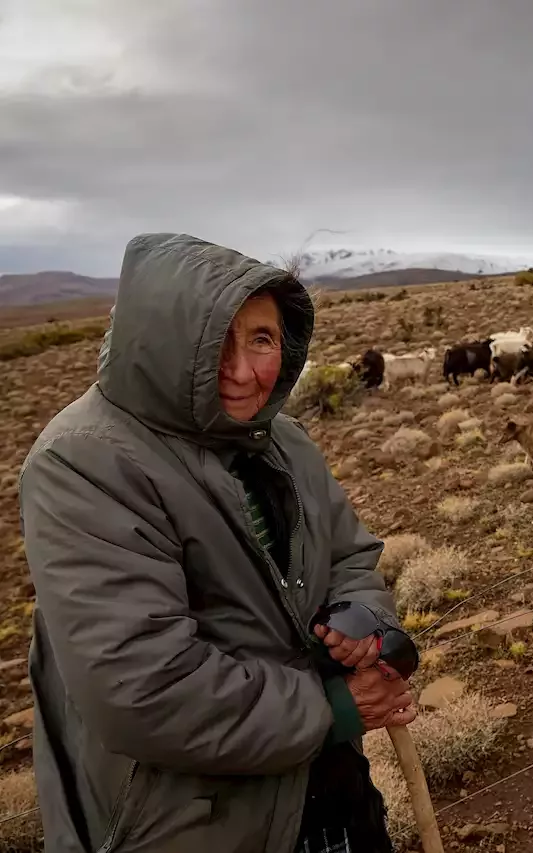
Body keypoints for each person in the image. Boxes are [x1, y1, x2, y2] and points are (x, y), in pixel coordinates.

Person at [18, 233, 416, 852]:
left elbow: (349, 557)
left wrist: (364, 624)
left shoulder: (284, 441)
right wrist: (333, 707)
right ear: (157, 342)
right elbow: (142, 686)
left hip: (330, 786)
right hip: (194, 821)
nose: (241, 371)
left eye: (261, 339)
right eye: (213, 344)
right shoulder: (86, 463)